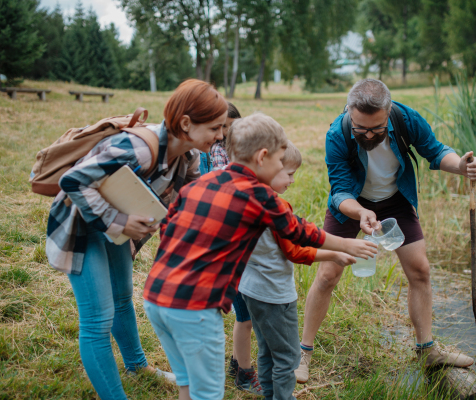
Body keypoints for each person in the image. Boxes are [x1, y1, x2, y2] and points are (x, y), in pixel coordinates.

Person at [143, 112, 378, 400]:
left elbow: (167, 227)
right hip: (195, 307)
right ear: (262, 156)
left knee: (189, 383)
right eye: (280, 160)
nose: (282, 166)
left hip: (155, 297)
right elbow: (299, 231)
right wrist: (346, 244)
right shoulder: (258, 194)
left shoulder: (203, 182)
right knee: (207, 392)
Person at [45, 79, 228, 400]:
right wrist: (120, 221)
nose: (220, 136)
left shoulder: (187, 158)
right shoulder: (139, 149)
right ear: (186, 123)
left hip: (116, 227)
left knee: (121, 298)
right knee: (97, 319)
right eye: (215, 128)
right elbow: (72, 180)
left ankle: (136, 365)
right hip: (81, 226)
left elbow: (195, 206)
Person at [295, 78, 476, 383]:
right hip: (351, 205)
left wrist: (460, 166)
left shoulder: (405, 118)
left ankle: (427, 350)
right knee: (328, 274)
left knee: (420, 270)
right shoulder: (338, 132)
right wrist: (361, 212)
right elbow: (340, 191)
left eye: (377, 129)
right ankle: (302, 352)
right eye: (361, 128)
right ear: (349, 113)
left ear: (389, 113)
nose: (368, 135)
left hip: (395, 200)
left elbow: (435, 152)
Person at [239, 141, 356, 400]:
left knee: (267, 348)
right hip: (274, 294)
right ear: (268, 165)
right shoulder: (275, 207)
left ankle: (270, 395)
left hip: (250, 288)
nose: (292, 181)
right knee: (288, 356)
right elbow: (294, 251)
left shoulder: (244, 197)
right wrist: (336, 253)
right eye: (289, 174)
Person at [197, 102, 262, 395]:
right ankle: (243, 373)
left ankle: (238, 363)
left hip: (232, 244)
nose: (224, 134)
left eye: (230, 128)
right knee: (244, 314)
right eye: (221, 128)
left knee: (243, 312)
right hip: (223, 247)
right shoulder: (211, 157)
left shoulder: (226, 153)